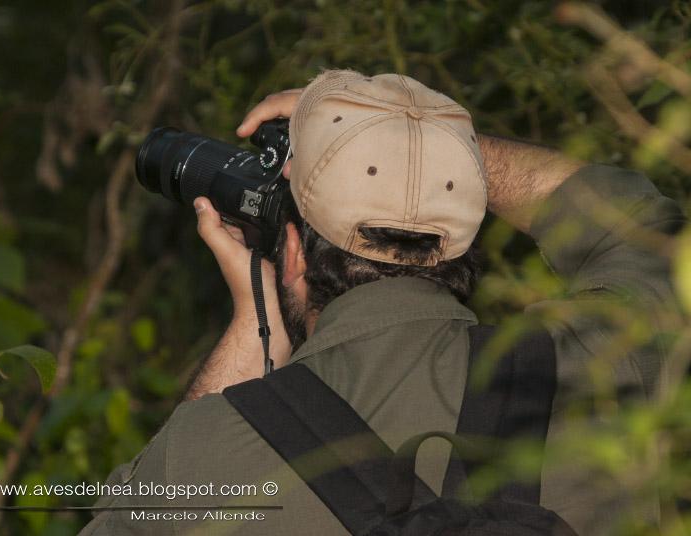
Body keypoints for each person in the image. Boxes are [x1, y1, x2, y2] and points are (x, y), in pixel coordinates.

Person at [79, 70, 685, 535]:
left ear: (291, 250)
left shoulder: (211, 455)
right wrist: (432, 145)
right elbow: (641, 229)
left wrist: (251, 325)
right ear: (463, 236)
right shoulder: (600, 366)